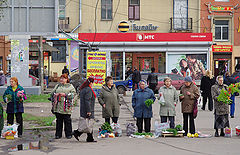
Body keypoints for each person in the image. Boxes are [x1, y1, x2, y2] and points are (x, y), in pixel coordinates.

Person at [51, 74, 76, 139]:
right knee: (59, 121)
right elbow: (52, 93)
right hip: (58, 106)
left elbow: (74, 94)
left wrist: (65, 94)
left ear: (66, 79)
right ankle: (58, 134)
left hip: (66, 107)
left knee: (67, 121)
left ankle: (68, 134)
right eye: (61, 78)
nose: (61, 79)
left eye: (63, 78)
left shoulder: (70, 86)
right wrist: (55, 95)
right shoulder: (57, 86)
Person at [72, 77, 96, 142]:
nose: (93, 84)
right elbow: (87, 101)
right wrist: (89, 111)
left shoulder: (83, 89)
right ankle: (77, 133)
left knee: (87, 124)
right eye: (93, 83)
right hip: (88, 109)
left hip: (83, 109)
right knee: (88, 123)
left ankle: (89, 138)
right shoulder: (88, 90)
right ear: (90, 83)